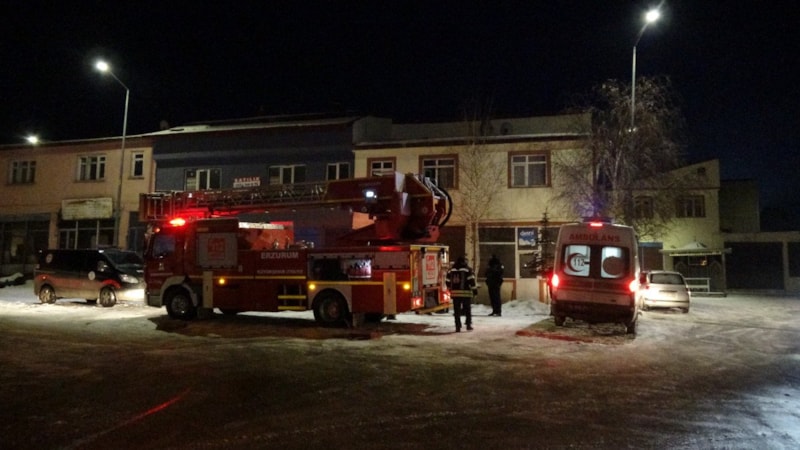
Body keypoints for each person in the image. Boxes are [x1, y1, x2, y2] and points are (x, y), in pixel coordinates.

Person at [446, 256, 477, 332]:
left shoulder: (451, 270)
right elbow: (471, 281)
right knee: (467, 310)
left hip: (455, 294)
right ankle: (468, 325)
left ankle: (458, 326)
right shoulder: (467, 270)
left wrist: (450, 288)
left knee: (457, 311)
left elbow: (447, 281)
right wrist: (474, 290)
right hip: (466, 293)